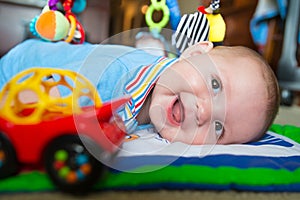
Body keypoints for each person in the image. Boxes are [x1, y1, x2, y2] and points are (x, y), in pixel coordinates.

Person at [0, 39, 280, 145]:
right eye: (215, 86)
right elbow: (46, 92)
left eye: (219, 129)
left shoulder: (163, 95)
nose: (205, 111)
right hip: (18, 69)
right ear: (194, 53)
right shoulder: (116, 75)